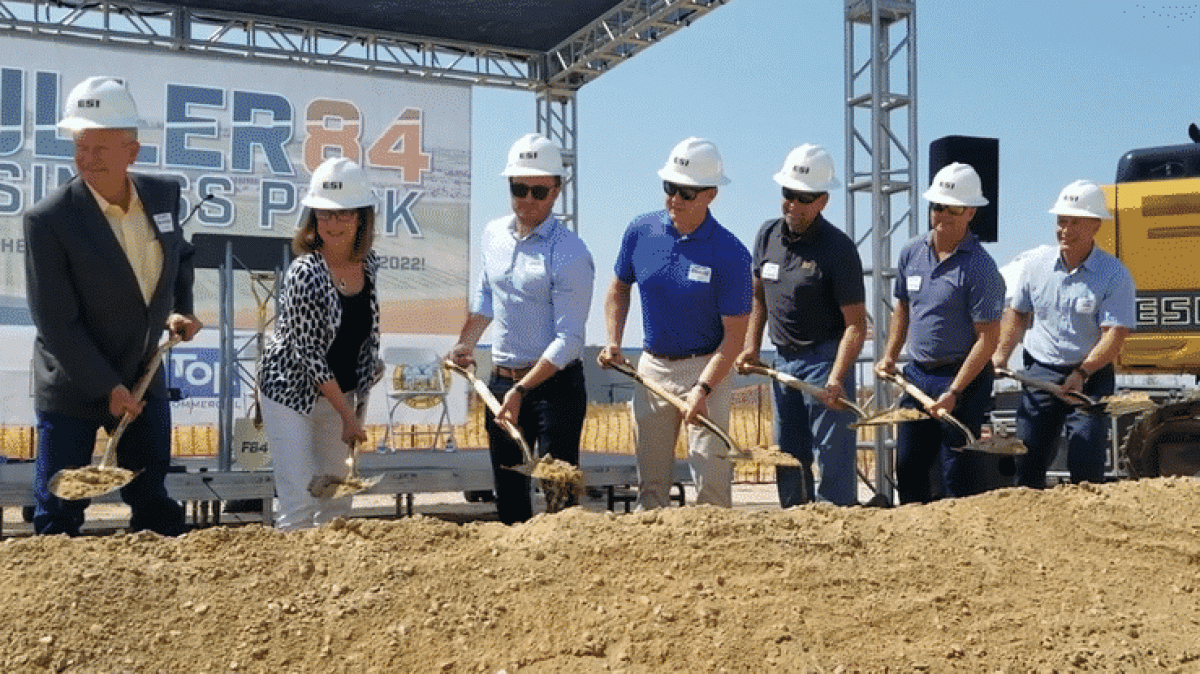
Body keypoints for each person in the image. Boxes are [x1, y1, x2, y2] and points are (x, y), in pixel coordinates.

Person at [24, 76, 203, 536]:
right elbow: (56, 321)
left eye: (99, 149)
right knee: (60, 507)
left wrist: (179, 309)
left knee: (152, 499)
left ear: (132, 152)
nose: (86, 160)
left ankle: (162, 594)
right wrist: (107, 386)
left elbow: (179, 255)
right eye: (80, 147)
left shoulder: (162, 196)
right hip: (73, 383)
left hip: (142, 378)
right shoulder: (50, 219)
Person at [598, 137, 752, 509]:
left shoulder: (730, 253)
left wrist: (702, 389)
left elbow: (734, 339)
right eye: (670, 188)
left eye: (686, 192)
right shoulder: (641, 231)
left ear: (711, 194)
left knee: (712, 488)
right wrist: (613, 341)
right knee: (651, 488)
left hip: (707, 370)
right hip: (652, 371)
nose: (675, 200)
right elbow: (618, 289)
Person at [449, 133, 594, 525]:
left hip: (555, 392)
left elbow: (569, 340)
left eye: (538, 191)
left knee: (559, 502)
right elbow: (484, 299)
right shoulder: (493, 235)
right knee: (510, 501)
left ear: (557, 191)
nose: (528, 199)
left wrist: (521, 389)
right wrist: (466, 343)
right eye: (519, 188)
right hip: (501, 387)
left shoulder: (571, 253)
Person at [735, 144, 867, 507]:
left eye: (803, 198)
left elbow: (855, 325)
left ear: (823, 200)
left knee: (833, 459)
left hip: (825, 362)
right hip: (783, 363)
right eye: (787, 195)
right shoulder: (767, 235)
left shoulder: (838, 249)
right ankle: (794, 525)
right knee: (789, 457)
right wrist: (751, 346)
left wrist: (837, 378)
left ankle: (839, 530)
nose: (792, 205)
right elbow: (759, 296)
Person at [258, 157, 384, 531]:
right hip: (290, 395)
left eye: (344, 214)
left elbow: (365, 333)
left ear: (361, 217)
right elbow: (309, 355)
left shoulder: (370, 265)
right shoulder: (305, 272)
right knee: (299, 502)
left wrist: (364, 382)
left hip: (341, 396)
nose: (333, 223)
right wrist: (348, 417)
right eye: (325, 214)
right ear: (313, 218)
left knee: (337, 502)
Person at [874, 162, 1005, 504]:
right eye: (937, 206)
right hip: (917, 376)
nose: (943, 214)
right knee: (909, 467)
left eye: (954, 207)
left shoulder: (980, 268)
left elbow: (988, 339)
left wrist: (955, 391)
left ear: (971, 212)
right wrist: (890, 354)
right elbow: (902, 308)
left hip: (963, 380)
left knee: (956, 474)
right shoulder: (911, 253)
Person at [991, 180, 1136, 487]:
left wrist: (1082, 372)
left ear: (1095, 226)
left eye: (1074, 223)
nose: (1065, 230)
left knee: (1086, 462)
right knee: (1028, 461)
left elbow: (1114, 335)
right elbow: (1017, 315)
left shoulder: (1114, 275)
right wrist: (1001, 355)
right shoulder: (1035, 265)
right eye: (1061, 222)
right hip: (1040, 374)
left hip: (1090, 379)